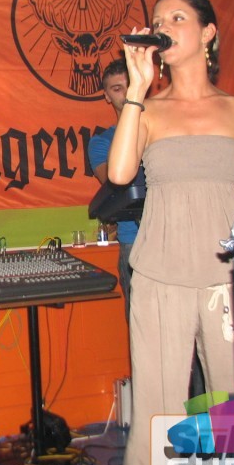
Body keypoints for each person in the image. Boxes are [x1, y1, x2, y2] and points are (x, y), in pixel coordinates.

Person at [106, 0, 234, 465]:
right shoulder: (149, 109)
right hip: (160, 278)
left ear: (208, 33)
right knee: (157, 413)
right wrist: (137, 88)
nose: (164, 26)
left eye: (177, 17)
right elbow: (119, 173)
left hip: (230, 283)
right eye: (158, 19)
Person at [87, 58, 139, 317]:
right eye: (117, 89)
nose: (125, 93)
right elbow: (116, 181)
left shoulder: (164, 130)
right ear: (107, 96)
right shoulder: (102, 142)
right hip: (135, 241)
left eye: (129, 86)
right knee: (142, 326)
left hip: (177, 237)